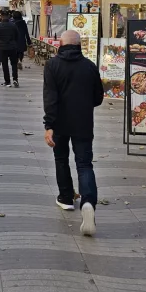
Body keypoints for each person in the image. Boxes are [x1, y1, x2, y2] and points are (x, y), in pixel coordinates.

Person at [44, 30, 104, 236]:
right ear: (80, 45)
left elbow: (50, 97)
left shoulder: (52, 65)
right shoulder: (89, 66)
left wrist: (48, 125)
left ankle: (66, 197)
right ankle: (88, 202)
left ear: (60, 44)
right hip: (83, 123)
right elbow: (98, 98)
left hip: (59, 123)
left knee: (61, 159)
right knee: (84, 163)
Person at [0, 13, 21, 87]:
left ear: (1, 17)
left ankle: (7, 81)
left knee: (5, 64)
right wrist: (14, 43)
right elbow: (17, 35)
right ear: (8, 17)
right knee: (14, 64)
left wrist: (0, 43)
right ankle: (15, 79)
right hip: (12, 47)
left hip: (3, 48)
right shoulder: (13, 25)